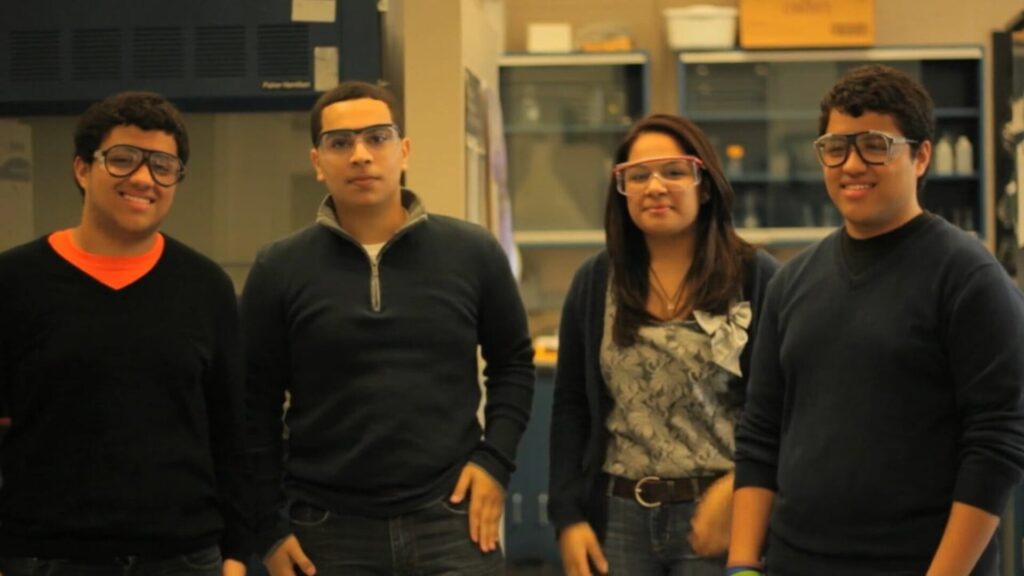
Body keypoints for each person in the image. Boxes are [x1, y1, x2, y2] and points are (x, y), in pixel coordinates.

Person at [728, 64, 1024, 576]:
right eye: (835, 147)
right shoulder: (791, 281)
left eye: (875, 146)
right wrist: (742, 565)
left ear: (921, 155)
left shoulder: (969, 277)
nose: (851, 164)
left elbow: (997, 445)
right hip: (796, 561)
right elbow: (760, 433)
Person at [241, 81, 535, 575]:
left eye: (377, 137)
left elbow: (513, 365)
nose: (360, 155)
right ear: (318, 162)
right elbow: (253, 403)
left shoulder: (472, 252)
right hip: (325, 531)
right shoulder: (279, 268)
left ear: (404, 151)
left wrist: (494, 463)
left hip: (451, 521)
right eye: (340, 142)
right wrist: (268, 528)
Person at [0, 92, 251, 575]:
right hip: (47, 557)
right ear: (82, 169)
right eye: (122, 159)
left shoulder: (206, 287)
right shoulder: (14, 282)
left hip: (185, 557)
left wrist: (238, 555)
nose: (143, 178)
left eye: (163, 166)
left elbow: (231, 433)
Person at [548, 113, 779, 576]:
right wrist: (568, 518)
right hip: (619, 520)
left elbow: (784, 407)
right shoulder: (596, 281)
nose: (654, 187)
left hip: (719, 515)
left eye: (673, 172)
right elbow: (571, 408)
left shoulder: (755, 276)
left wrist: (743, 485)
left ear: (704, 185)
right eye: (638, 176)